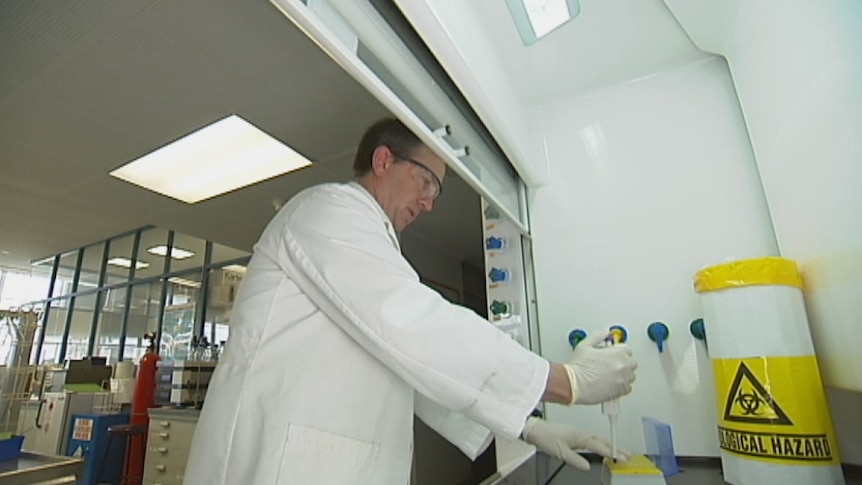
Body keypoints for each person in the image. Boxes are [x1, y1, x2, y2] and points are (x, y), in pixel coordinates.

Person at [183, 117, 637, 485]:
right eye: (427, 182)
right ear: (384, 160)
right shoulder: (327, 210)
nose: (429, 202)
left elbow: (412, 368)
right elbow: (412, 325)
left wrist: (526, 426)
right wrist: (561, 382)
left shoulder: (373, 246)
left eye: (435, 191)